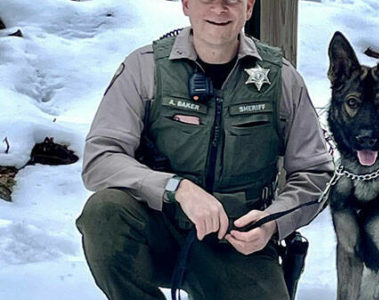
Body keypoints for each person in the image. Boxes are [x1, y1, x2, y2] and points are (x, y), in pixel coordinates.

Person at [75, 0, 334, 299]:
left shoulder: (282, 78)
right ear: (186, 4)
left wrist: (273, 224)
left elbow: (316, 174)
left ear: (248, 8)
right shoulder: (145, 67)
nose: (219, 9)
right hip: (158, 227)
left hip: (237, 241)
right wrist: (176, 188)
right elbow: (101, 159)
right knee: (105, 211)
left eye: (231, 1)